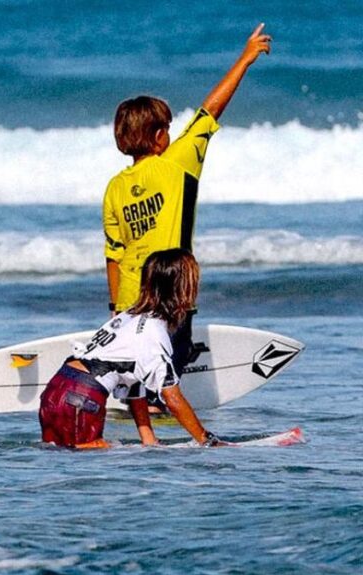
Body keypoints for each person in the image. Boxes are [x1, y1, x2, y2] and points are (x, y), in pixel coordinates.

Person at [103, 24, 272, 380]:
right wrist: (245, 59)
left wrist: (115, 309)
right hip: (170, 292)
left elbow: (114, 255)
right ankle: (163, 411)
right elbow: (211, 110)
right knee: (170, 366)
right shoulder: (177, 163)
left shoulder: (115, 187)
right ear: (159, 137)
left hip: (130, 298)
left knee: (143, 366)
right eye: (166, 127)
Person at [39, 249, 225, 449]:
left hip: (56, 391)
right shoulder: (153, 333)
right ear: (181, 288)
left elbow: (133, 379)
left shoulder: (127, 317)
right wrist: (207, 441)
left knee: (61, 459)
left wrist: (148, 437)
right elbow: (172, 397)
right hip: (81, 399)